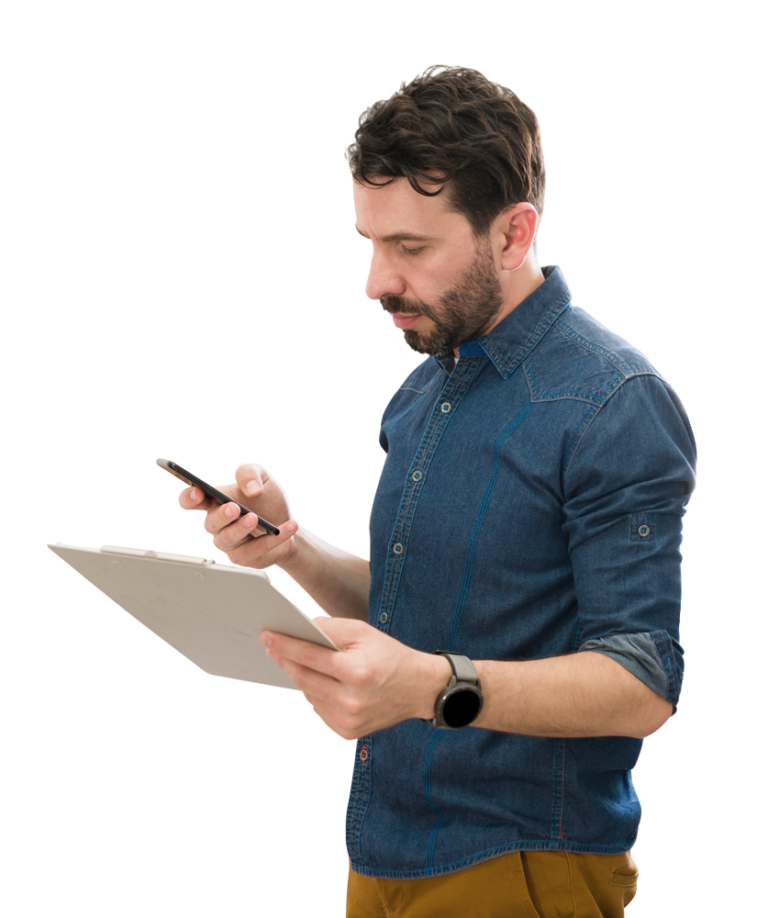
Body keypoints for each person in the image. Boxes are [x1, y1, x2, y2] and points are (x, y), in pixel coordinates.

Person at [177, 65, 697, 917]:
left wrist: (428, 685)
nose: (376, 282)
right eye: (371, 245)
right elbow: (425, 612)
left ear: (512, 230)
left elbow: (642, 683)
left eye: (411, 248)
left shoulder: (614, 403)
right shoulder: (426, 383)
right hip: (382, 848)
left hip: (524, 865)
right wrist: (291, 547)